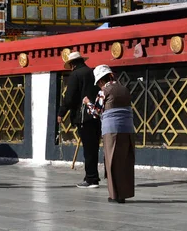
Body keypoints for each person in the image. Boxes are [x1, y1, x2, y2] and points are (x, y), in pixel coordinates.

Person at [84, 65, 135, 204]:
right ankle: (124, 193)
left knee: (111, 161)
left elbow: (96, 112)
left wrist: (88, 103)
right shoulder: (124, 89)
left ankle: (115, 195)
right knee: (125, 161)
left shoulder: (104, 91)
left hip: (112, 130)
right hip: (127, 129)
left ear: (100, 81)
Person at [57, 51, 101, 188]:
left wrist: (61, 113)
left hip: (83, 116)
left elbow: (70, 98)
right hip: (96, 114)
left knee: (88, 148)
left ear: (72, 64)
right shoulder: (92, 72)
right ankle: (91, 176)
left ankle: (91, 179)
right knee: (93, 147)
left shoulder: (75, 75)